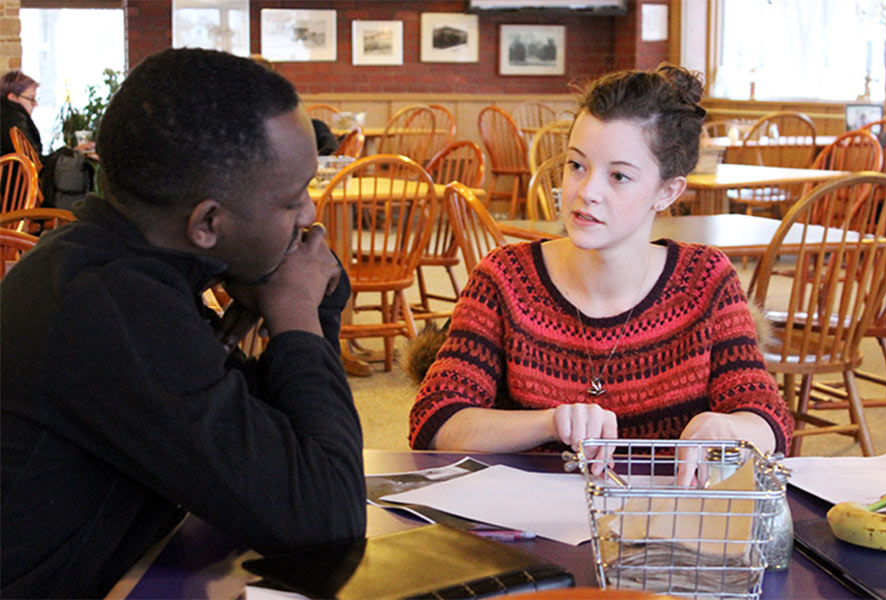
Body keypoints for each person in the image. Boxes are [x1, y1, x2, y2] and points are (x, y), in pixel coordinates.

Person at [1, 48, 366, 598]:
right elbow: (327, 516)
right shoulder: (110, 305)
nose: (310, 216)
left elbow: (269, 447)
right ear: (207, 223)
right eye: (292, 201)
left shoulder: (118, 266)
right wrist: (294, 316)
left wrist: (314, 310)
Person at [408, 65, 793, 484]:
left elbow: (769, 420)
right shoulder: (505, 278)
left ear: (668, 191)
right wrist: (550, 423)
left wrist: (732, 427)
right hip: (533, 529)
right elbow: (434, 421)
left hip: (666, 530)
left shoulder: (705, 280)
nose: (587, 190)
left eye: (619, 176)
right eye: (576, 165)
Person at [1, 70, 42, 157]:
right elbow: (31, 160)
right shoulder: (13, 118)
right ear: (12, 98)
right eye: (31, 99)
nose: (35, 104)